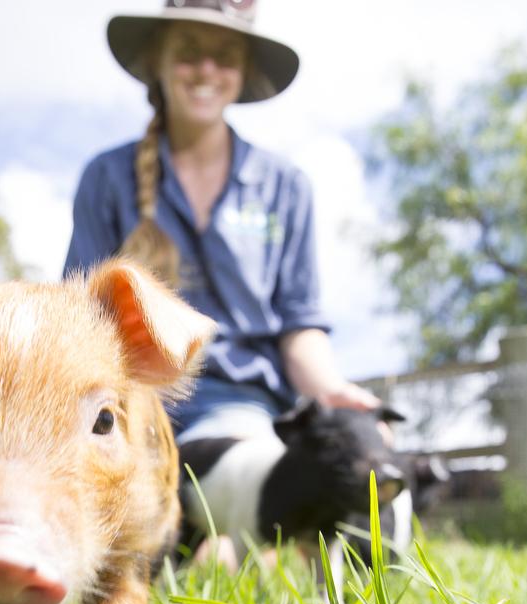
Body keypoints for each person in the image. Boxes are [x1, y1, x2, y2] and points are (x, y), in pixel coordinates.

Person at [64, 0, 379, 447]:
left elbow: (299, 326)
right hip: (130, 410)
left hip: (245, 409)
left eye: (225, 56)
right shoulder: (107, 178)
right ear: (159, 59)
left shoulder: (284, 187)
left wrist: (332, 390)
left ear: (245, 69)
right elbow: (80, 317)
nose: (206, 70)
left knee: (356, 446)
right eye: (189, 51)